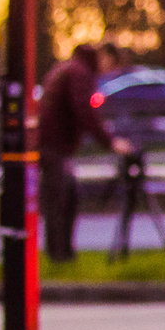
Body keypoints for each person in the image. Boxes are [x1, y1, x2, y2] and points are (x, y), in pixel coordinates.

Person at [36, 42, 132, 263]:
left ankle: (62, 254)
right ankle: (59, 256)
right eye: (113, 66)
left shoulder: (71, 67)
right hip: (55, 145)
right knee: (61, 201)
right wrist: (111, 143)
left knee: (65, 198)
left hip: (53, 144)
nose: (110, 72)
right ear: (105, 56)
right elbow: (85, 112)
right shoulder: (81, 73)